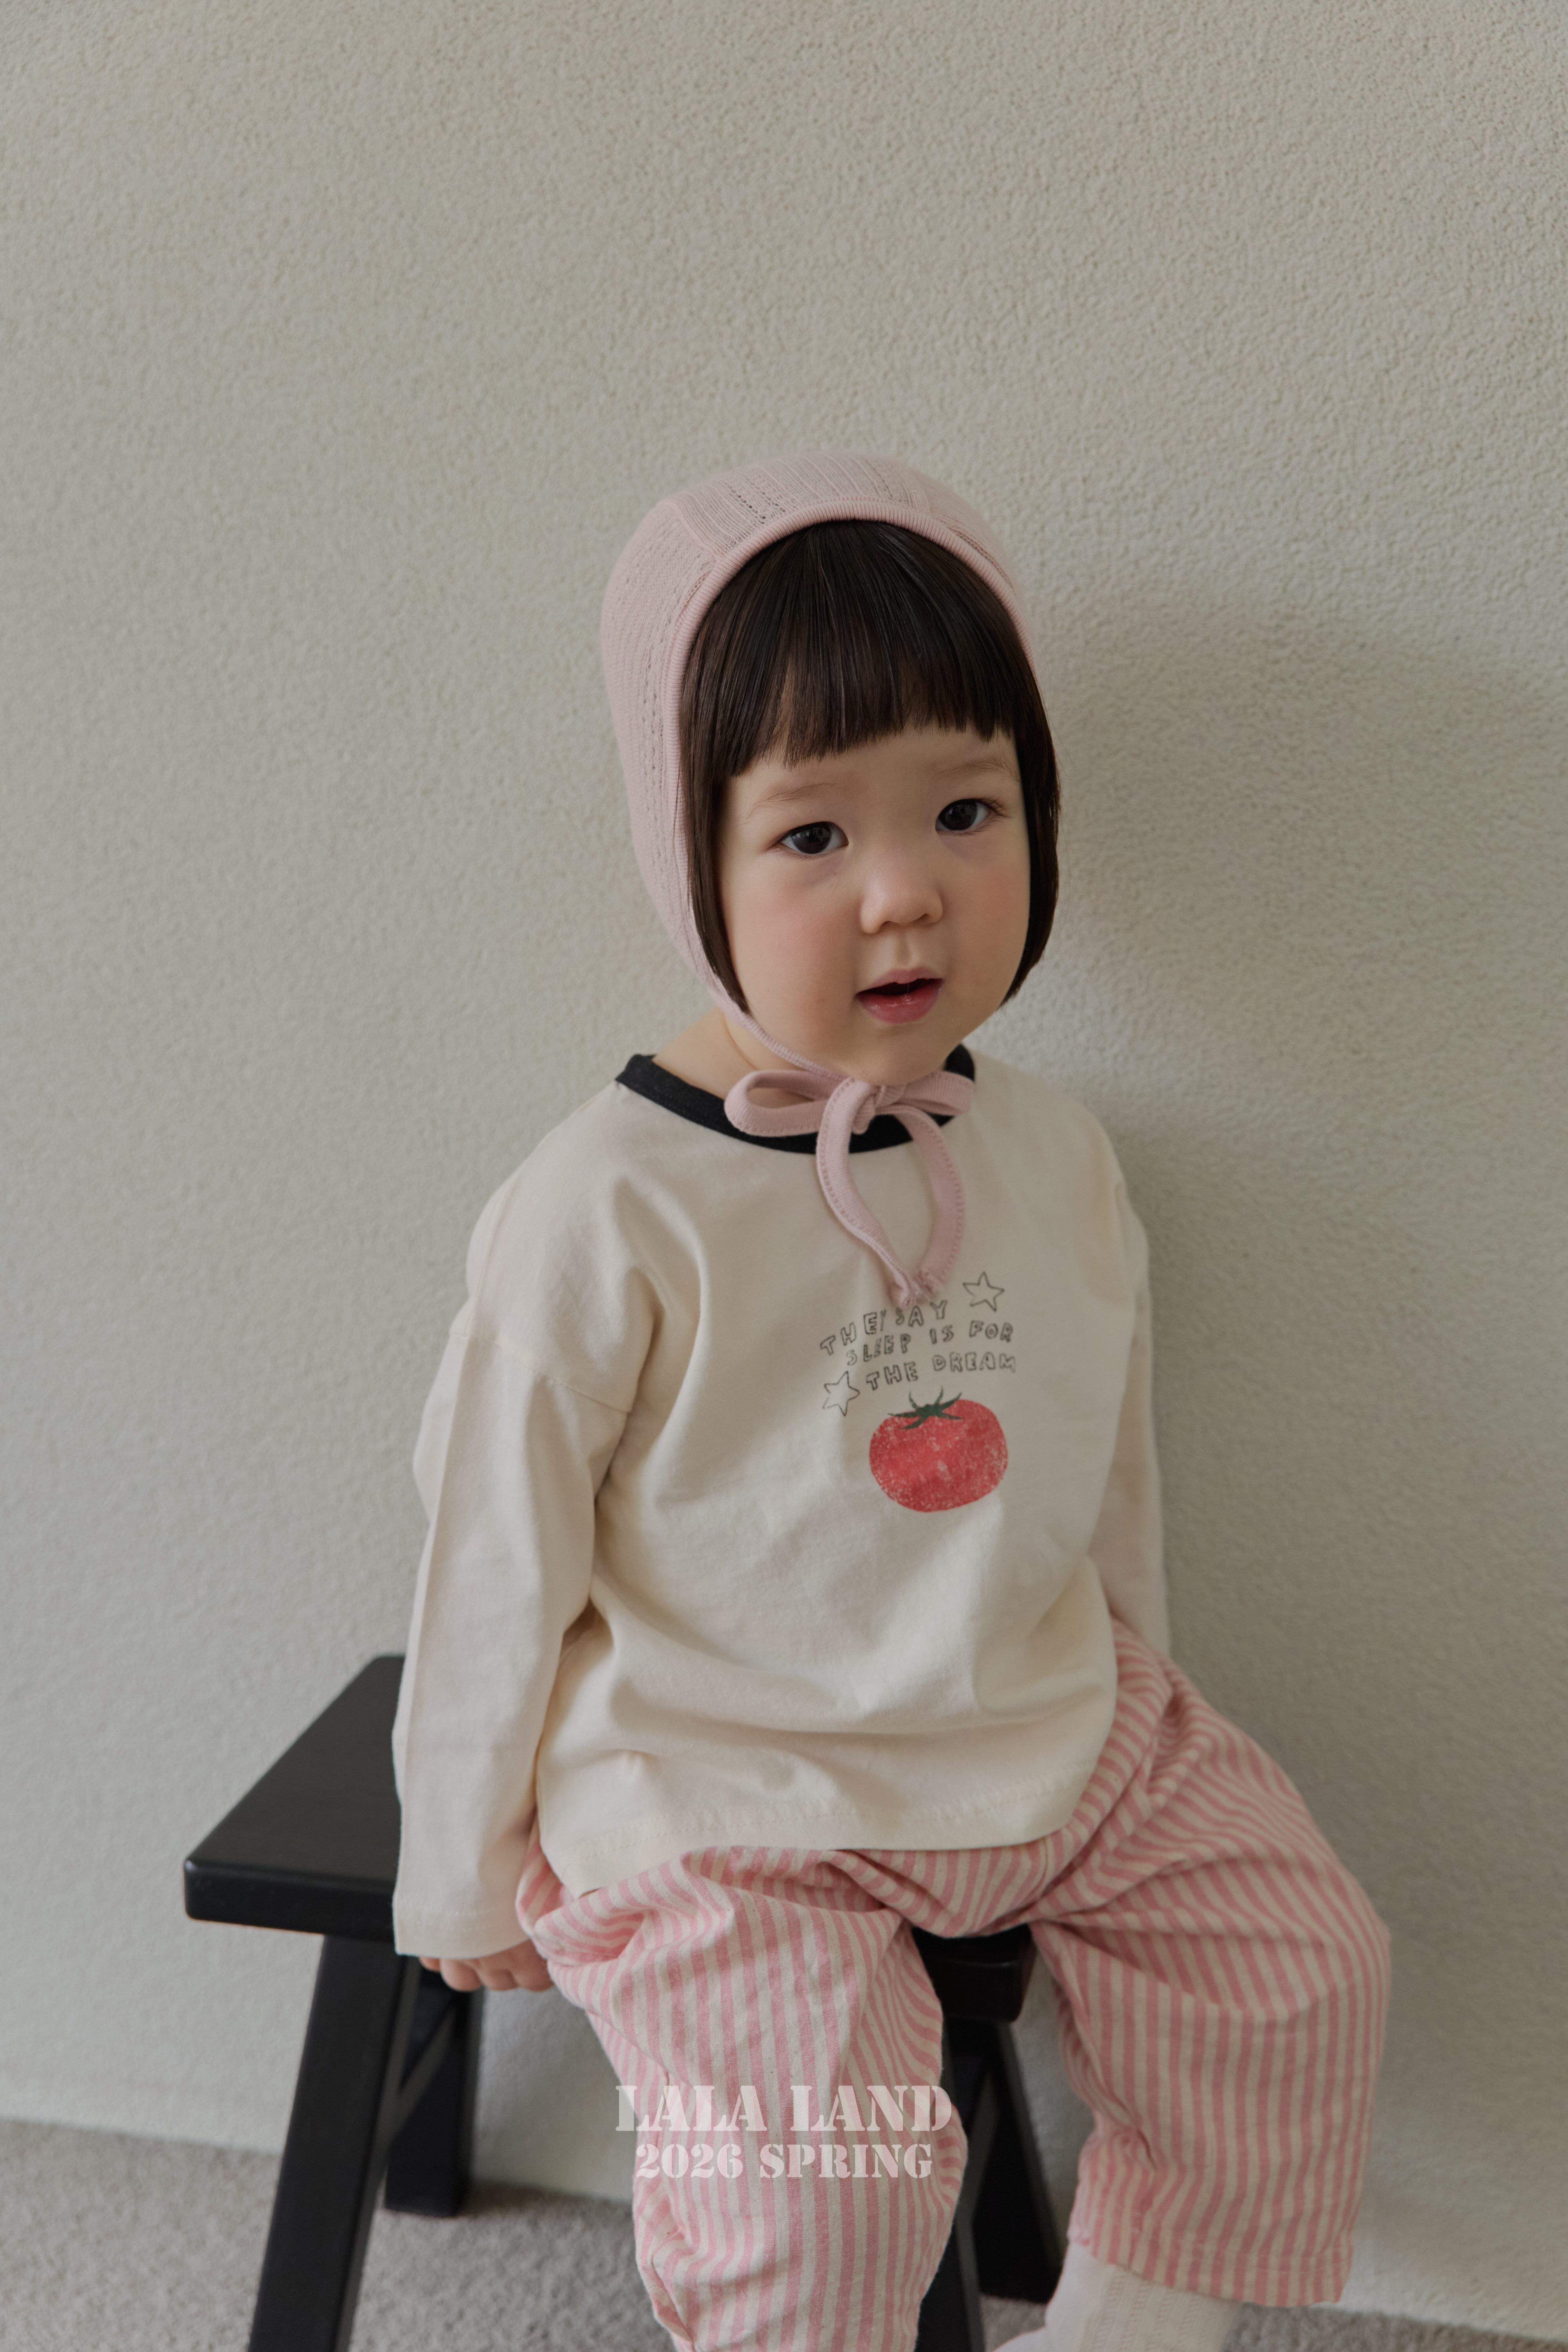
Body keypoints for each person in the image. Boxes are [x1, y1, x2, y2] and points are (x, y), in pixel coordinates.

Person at [391, 453, 1390, 2352]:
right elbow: (495, 1539)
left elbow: (1106, 1471)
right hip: (727, 1776)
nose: (905, 893)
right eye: (809, 836)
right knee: (821, 2184)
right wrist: (459, 1855)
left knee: (1297, 1970)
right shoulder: (609, 1202)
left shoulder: (1054, 1150)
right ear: (685, 854)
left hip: (1031, 1710)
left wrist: (1138, 1688)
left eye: (963, 810)